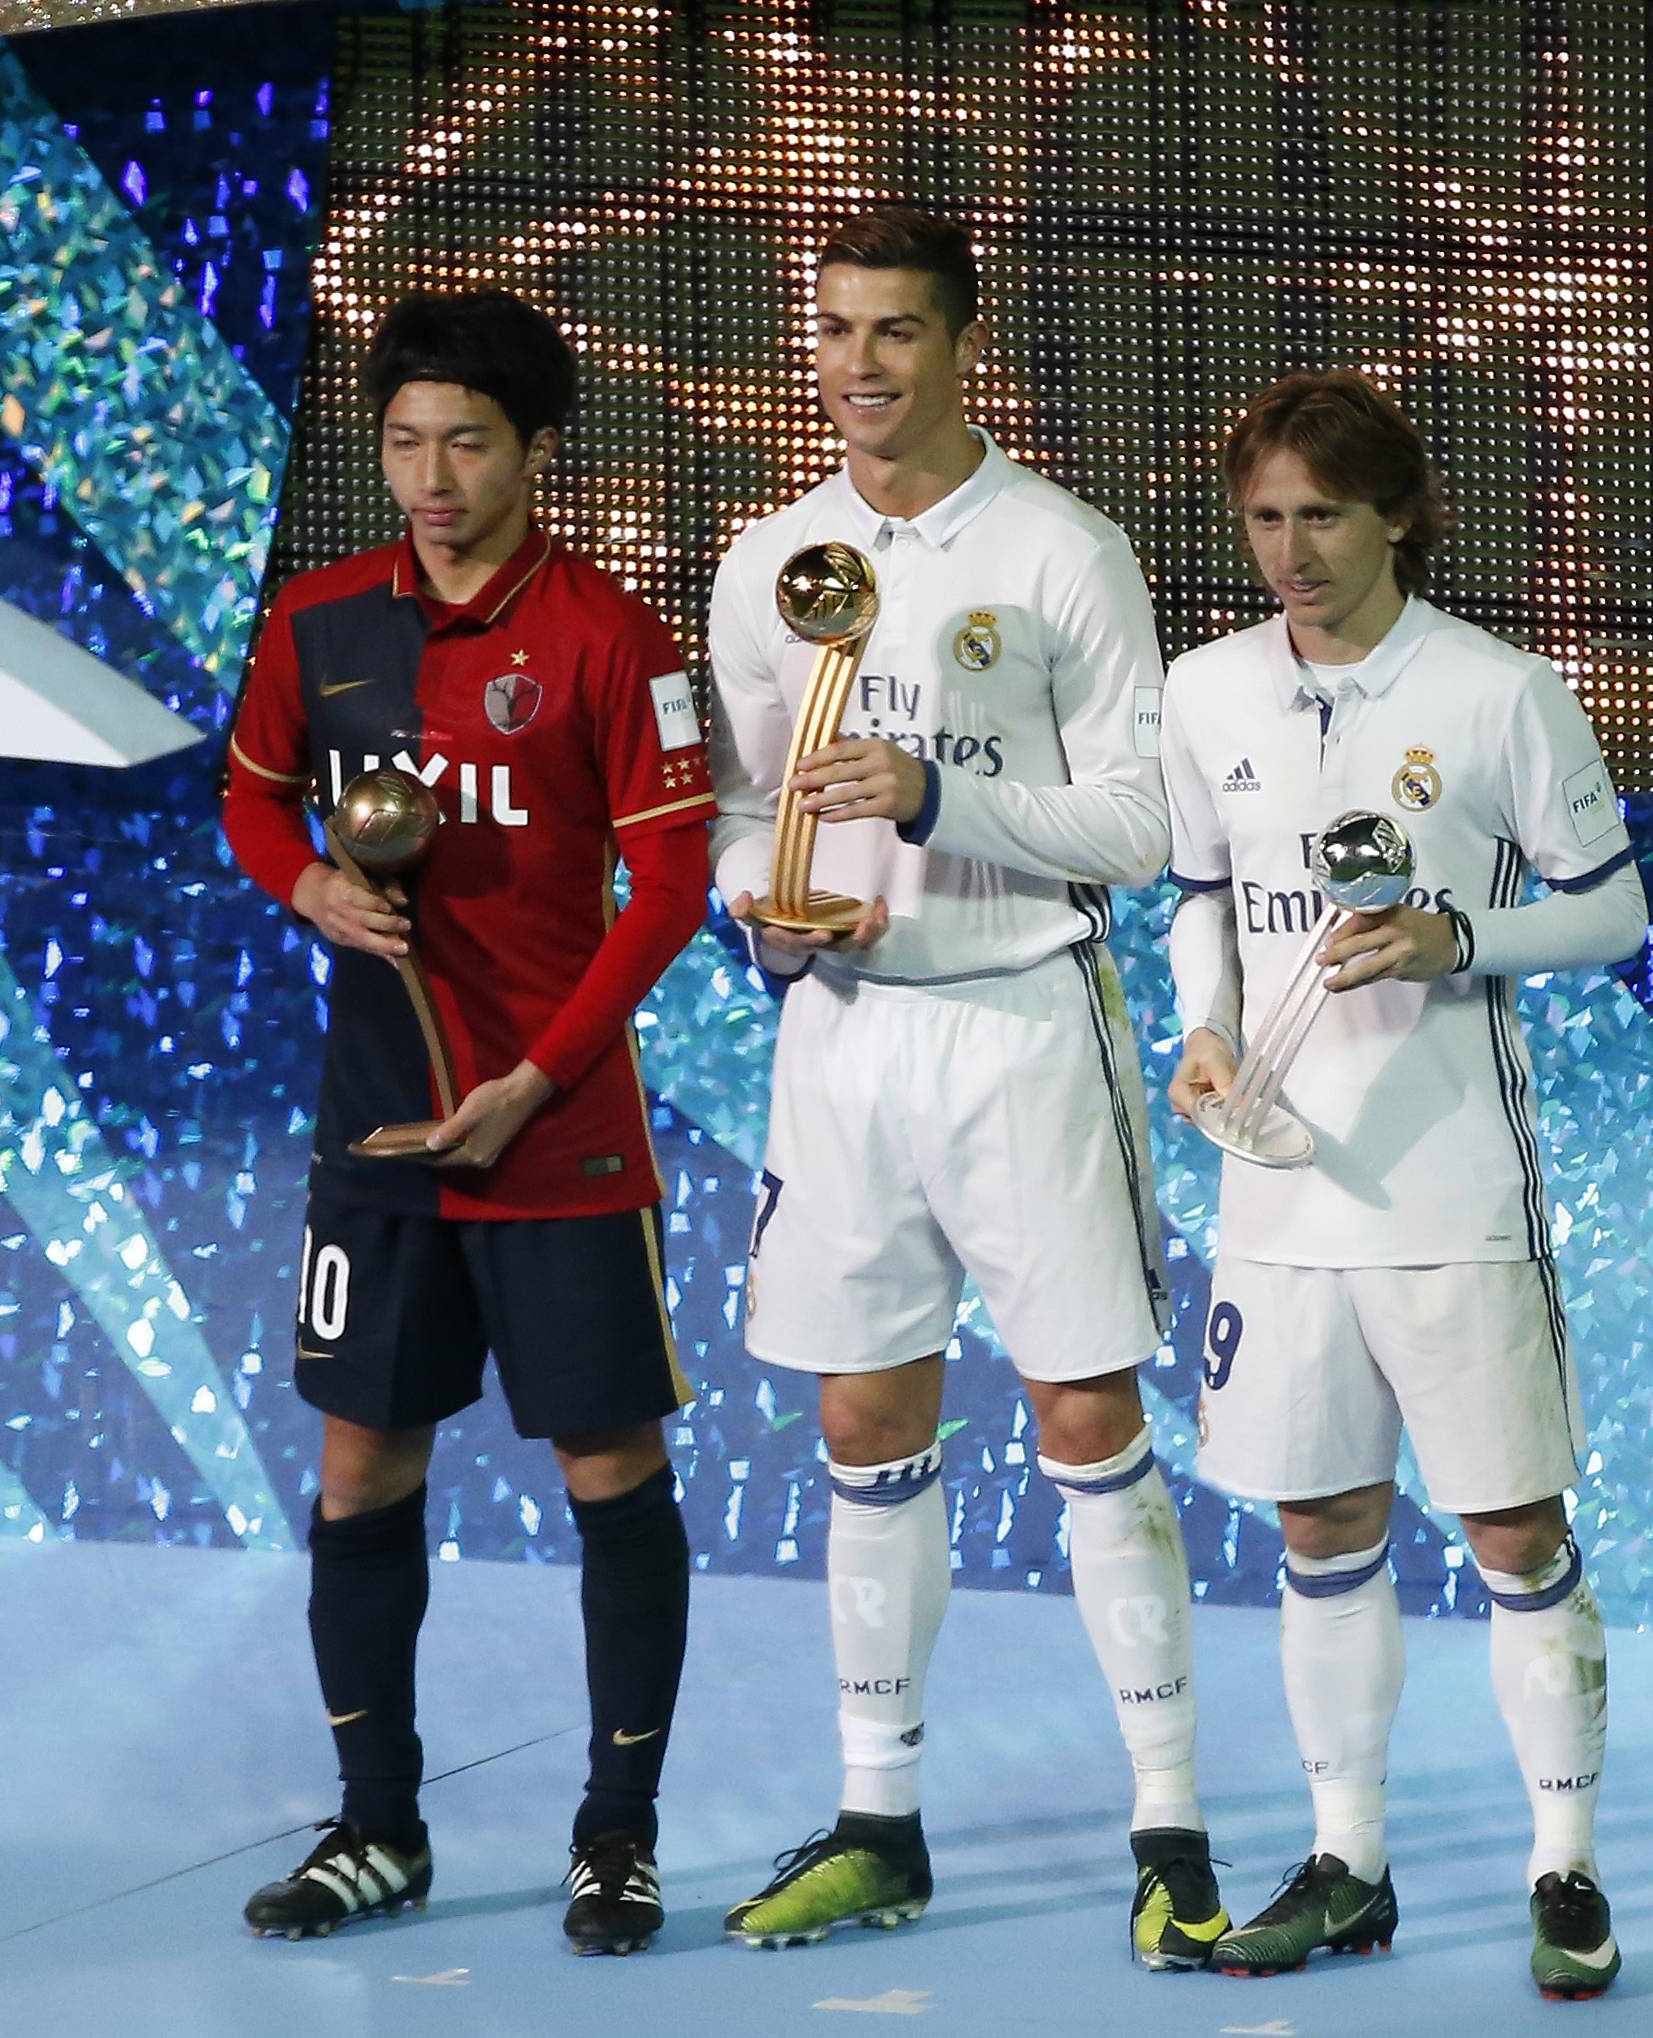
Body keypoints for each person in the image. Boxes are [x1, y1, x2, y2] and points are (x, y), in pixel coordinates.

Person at [706, 205, 1226, 1970]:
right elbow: (739, 806)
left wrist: (938, 799)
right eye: (838, 329)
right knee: (862, 1423)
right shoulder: (770, 554)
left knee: (1085, 1421)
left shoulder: (1066, 550)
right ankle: (878, 1822)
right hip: (844, 1027)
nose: (860, 366)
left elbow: (1144, 829)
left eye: (898, 333)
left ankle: (1170, 1826)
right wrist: (763, 920)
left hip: (1021, 1019)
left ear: (962, 343)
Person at [221, 288, 715, 1955]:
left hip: (558, 1132)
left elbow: (675, 880)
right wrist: (303, 882)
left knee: (610, 1468)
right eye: (407, 443)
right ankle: (378, 1831)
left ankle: (617, 1836)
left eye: (469, 442)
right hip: (379, 1137)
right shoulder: (317, 619)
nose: (432, 477)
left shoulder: (613, 636)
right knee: (361, 1466)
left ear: (537, 451)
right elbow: (250, 788)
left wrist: (544, 1072)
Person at [1160, 369, 1646, 1999]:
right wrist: (1203, 1032)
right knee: (1322, 1521)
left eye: (1323, 516)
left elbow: (1610, 911)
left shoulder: (1503, 691)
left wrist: (1461, 937)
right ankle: (1346, 1864)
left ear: (1399, 518)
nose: (1291, 551)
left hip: (1451, 1190)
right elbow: (1198, 896)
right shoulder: (1209, 688)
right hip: (1277, 1191)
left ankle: (1564, 1869)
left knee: (1512, 1527)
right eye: (1266, 519)